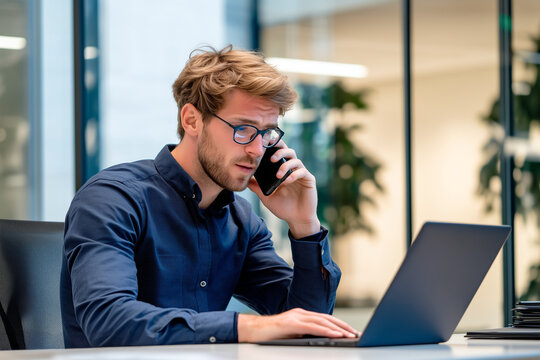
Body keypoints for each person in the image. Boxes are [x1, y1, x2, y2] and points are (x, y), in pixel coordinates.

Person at [60, 45, 357, 348]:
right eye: (244, 129)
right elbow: (109, 322)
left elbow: (307, 324)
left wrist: (304, 224)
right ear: (191, 120)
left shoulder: (241, 222)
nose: (257, 150)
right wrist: (247, 326)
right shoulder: (113, 199)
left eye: (267, 132)